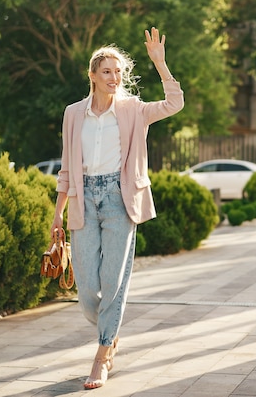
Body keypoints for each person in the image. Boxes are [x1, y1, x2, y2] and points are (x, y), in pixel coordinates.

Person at [50, 27, 184, 389]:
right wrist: (57, 212)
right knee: (86, 293)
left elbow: (174, 104)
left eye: (119, 71)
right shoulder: (73, 114)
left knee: (113, 281)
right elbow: (65, 167)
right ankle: (110, 332)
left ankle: (102, 353)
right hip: (82, 198)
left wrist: (161, 63)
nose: (114, 77)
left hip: (118, 198)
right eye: (107, 71)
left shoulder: (134, 110)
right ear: (92, 75)